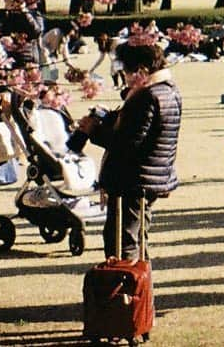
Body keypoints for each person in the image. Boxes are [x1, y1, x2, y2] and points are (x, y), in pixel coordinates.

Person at [75, 35, 181, 260]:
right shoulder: (168, 90)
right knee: (138, 238)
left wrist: (93, 131)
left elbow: (127, 143)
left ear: (141, 71)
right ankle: (139, 289)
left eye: (127, 73)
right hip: (151, 176)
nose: (126, 79)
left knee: (122, 242)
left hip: (133, 180)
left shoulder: (146, 97)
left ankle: (126, 291)